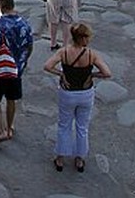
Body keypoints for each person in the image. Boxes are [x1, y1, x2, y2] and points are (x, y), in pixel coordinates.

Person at [43, 22, 112, 173]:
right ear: (84, 38)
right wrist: (92, 74)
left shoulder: (64, 52)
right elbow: (107, 73)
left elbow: (47, 66)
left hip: (67, 93)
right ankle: (80, 159)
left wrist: (61, 73)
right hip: (85, 93)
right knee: (82, 127)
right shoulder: (91, 54)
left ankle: (60, 158)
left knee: (64, 125)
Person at [0, 0, 33, 147]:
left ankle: (1, 129)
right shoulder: (24, 23)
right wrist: (23, 61)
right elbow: (29, 46)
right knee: (11, 99)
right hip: (16, 70)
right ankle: (10, 126)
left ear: (1, 6)